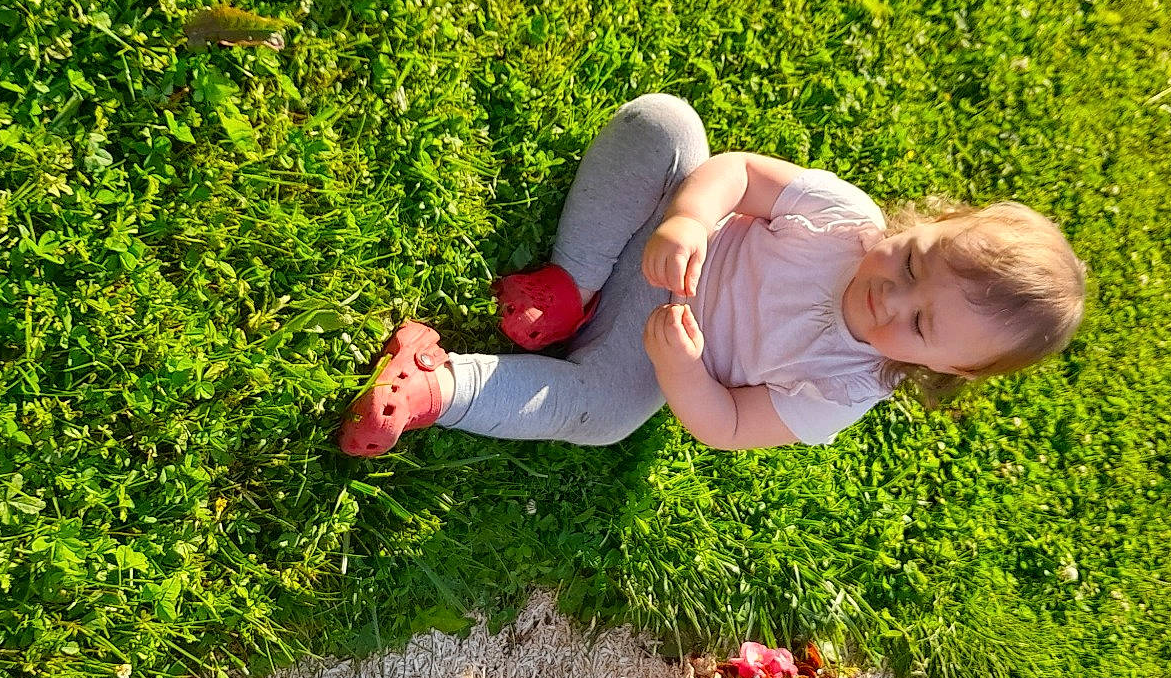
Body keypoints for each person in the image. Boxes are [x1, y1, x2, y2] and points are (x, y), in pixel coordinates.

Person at [337, 94, 1085, 454]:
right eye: (916, 258)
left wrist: (683, 371)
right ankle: (570, 283)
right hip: (658, 242)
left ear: (946, 369)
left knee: (606, 416)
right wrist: (689, 220)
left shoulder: (841, 391)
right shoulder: (844, 218)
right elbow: (737, 173)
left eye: (921, 323)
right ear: (932, 216)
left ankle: (434, 388)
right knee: (669, 127)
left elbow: (728, 425)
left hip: (656, 350)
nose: (892, 293)